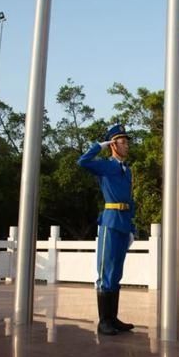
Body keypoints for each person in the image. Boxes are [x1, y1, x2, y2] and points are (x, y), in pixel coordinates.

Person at [77, 124, 136, 336]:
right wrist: (98, 146)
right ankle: (104, 322)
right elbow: (82, 162)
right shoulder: (105, 166)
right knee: (106, 273)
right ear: (113, 144)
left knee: (117, 272)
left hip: (123, 222)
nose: (126, 145)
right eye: (122, 141)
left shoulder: (127, 170)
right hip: (110, 221)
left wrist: (132, 227)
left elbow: (130, 200)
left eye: (127, 141)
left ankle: (113, 318)